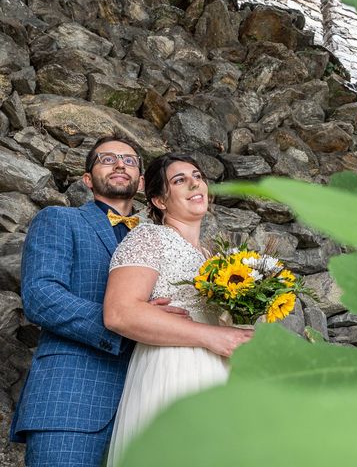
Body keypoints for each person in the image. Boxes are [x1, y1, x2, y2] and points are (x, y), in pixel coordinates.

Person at [10, 137, 190, 466]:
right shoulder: (58, 221)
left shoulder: (165, 239)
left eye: (130, 160)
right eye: (107, 159)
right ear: (88, 179)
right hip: (73, 402)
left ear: (141, 183)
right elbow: (41, 297)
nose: (120, 164)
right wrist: (129, 320)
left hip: (150, 402)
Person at [103, 153, 253, 466]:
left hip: (221, 374)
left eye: (197, 176)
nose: (194, 182)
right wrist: (210, 336)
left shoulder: (217, 257)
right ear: (159, 200)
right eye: (179, 180)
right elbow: (119, 313)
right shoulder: (149, 237)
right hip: (174, 368)